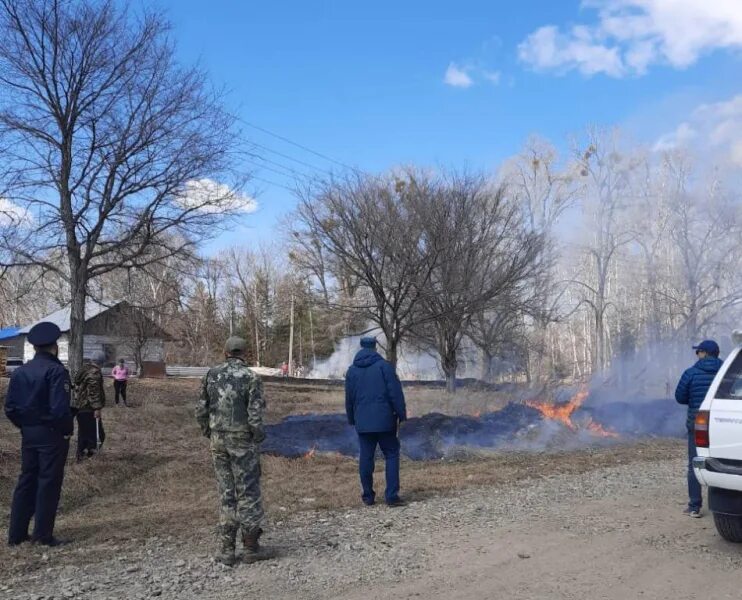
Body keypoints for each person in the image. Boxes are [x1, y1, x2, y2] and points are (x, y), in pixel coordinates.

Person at [195, 336, 274, 566]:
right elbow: (255, 415)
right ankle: (250, 547)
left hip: (218, 441)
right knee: (248, 491)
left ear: (225, 352)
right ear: (244, 353)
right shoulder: (251, 377)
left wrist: (209, 432)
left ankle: (227, 549)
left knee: (226, 491)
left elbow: (200, 409)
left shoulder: (211, 375)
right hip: (243, 442)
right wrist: (257, 437)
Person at [5, 322, 73, 547]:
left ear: (34, 348)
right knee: (48, 482)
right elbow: (59, 409)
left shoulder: (20, 372)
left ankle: (16, 534)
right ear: (54, 347)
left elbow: (10, 408)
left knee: (26, 480)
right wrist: (65, 431)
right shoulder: (56, 372)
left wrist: (25, 426)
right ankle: (42, 535)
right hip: (51, 434)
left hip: (28, 433)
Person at [345, 337, 407, 507]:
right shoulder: (384, 367)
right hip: (385, 420)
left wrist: (352, 418)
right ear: (374, 347)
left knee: (366, 457)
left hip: (363, 422)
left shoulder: (351, 371)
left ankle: (368, 497)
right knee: (391, 454)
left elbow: (349, 398)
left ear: (361, 347)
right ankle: (392, 496)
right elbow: (395, 393)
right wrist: (402, 415)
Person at [675, 339, 724, 518]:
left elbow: (680, 397)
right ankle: (722, 506)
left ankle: (694, 506)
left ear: (704, 353)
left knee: (695, 463)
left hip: (698, 425)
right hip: (722, 426)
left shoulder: (691, 373)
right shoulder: (726, 371)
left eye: (698, 352)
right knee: (722, 463)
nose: (697, 355)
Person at [72, 353, 106, 461]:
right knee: (99, 435)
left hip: (81, 406)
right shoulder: (94, 373)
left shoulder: (85, 369)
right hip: (88, 407)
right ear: (101, 362)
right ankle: (87, 455)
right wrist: (97, 408)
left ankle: (82, 455)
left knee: (84, 433)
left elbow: (76, 381)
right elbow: (94, 392)